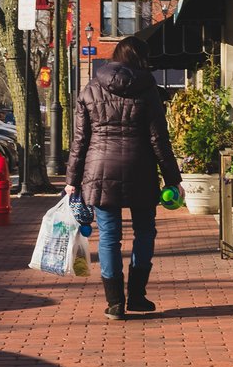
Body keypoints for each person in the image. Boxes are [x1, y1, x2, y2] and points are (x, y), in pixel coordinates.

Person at [65, 36, 184, 320]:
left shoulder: (90, 89)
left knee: (109, 236)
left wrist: (72, 179)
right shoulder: (148, 89)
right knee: (145, 232)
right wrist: (172, 178)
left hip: (99, 171)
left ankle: (115, 302)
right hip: (140, 169)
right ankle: (138, 296)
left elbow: (80, 140)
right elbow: (159, 139)